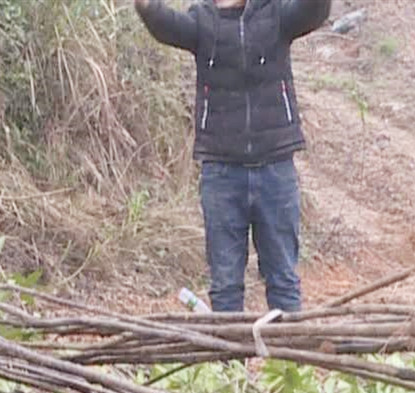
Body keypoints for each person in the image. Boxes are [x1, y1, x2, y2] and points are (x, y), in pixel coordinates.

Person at [133, 0, 332, 315]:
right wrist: (145, 7)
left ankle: (288, 363)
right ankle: (230, 364)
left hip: (276, 169)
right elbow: (165, 25)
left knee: (283, 281)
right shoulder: (202, 22)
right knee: (225, 286)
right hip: (221, 174)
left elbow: (314, 11)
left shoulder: (276, 15)